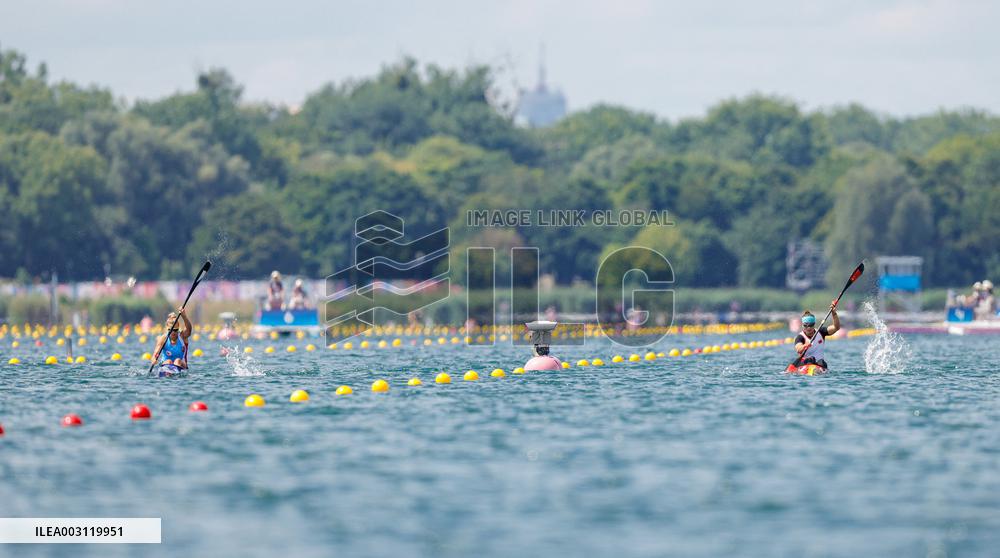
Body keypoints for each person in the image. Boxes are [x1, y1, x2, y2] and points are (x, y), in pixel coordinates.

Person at [793, 302, 841, 370]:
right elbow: (798, 349)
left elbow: (836, 327)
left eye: (811, 325)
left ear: (814, 324)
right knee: (810, 359)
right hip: (805, 364)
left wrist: (834, 313)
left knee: (822, 362)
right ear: (802, 325)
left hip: (819, 364)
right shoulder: (800, 337)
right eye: (806, 325)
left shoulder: (821, 332)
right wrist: (805, 346)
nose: (808, 328)